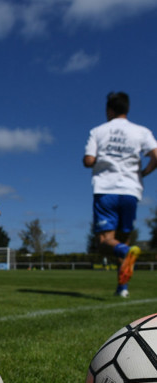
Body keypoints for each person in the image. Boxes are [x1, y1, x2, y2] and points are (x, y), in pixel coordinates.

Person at [83, 92, 157, 297]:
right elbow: (155, 156)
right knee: (121, 241)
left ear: (109, 110)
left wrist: (91, 161)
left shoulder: (98, 131)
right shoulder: (141, 131)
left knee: (105, 243)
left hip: (106, 189)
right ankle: (122, 289)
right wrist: (143, 173)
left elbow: (89, 160)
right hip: (131, 191)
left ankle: (126, 253)